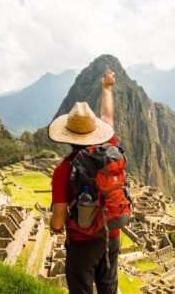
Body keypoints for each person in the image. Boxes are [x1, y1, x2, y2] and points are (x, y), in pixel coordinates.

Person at [48, 69, 120, 294]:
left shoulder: (62, 170)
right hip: (112, 234)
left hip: (82, 241)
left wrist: (54, 226)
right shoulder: (110, 149)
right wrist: (107, 87)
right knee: (109, 288)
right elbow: (107, 117)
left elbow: (58, 220)